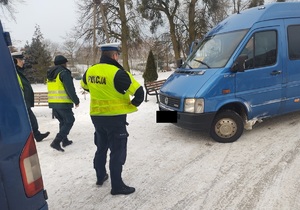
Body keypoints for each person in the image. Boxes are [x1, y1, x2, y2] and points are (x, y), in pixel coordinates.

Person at [80, 43, 144, 195]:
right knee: (117, 151)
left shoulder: (90, 70)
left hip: (96, 118)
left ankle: (100, 176)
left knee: (101, 147)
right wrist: (132, 104)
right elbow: (140, 93)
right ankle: (117, 186)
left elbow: (85, 86)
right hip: (115, 119)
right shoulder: (119, 73)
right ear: (115, 55)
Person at [11, 52, 50, 142]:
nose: (23, 62)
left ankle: (36, 135)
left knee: (31, 120)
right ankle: (29, 137)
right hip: (19, 102)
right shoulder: (13, 73)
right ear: (15, 61)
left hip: (23, 102)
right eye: (21, 60)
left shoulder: (18, 72)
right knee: (27, 121)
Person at [47, 55, 80, 152]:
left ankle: (64, 140)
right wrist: (76, 100)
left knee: (63, 121)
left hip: (54, 102)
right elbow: (69, 88)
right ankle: (57, 141)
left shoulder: (50, 73)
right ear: (64, 63)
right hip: (63, 102)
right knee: (69, 120)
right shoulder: (64, 73)